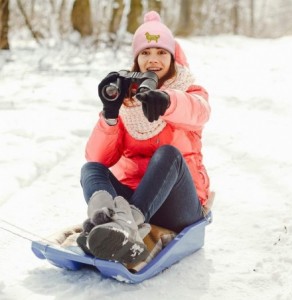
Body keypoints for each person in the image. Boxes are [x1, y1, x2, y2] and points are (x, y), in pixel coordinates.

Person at [77, 11, 212, 265]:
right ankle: (105, 224)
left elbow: (199, 112)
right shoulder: (127, 99)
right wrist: (110, 115)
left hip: (178, 206)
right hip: (134, 195)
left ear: (173, 57)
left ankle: (128, 225)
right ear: (136, 59)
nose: (153, 60)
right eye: (145, 53)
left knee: (168, 155)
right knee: (91, 169)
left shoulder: (190, 91)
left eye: (161, 52)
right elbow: (99, 157)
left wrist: (168, 100)